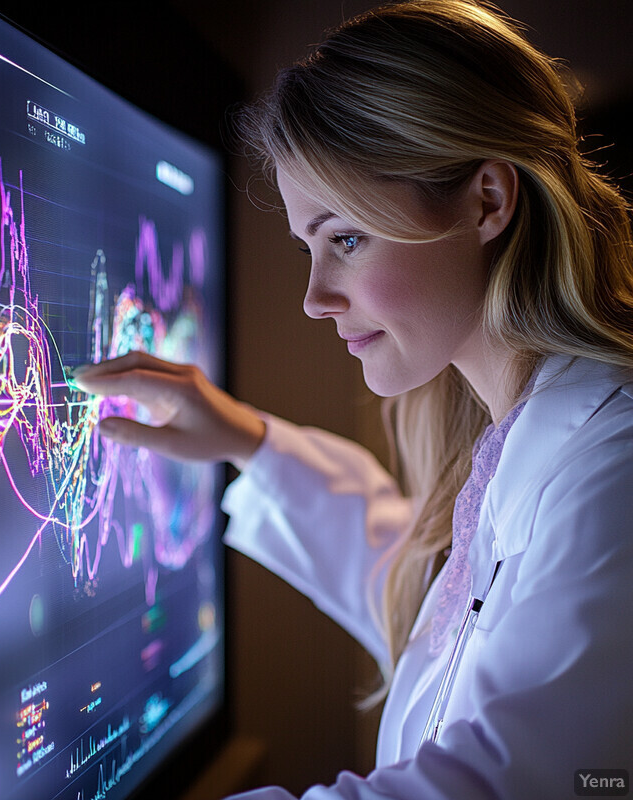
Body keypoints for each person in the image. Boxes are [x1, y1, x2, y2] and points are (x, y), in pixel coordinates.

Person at [73, 0, 633, 797]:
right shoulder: (517, 438)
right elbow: (446, 622)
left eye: (346, 239)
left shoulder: (612, 473)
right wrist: (248, 441)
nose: (313, 297)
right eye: (311, 245)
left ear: (487, 201)